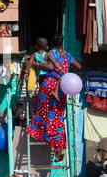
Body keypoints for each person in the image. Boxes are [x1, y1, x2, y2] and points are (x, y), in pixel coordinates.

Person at [26, 33, 81, 162]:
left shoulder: (47, 54)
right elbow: (79, 66)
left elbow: (49, 68)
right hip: (63, 87)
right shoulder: (66, 55)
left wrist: (33, 64)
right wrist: (67, 70)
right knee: (58, 117)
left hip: (48, 85)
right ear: (61, 43)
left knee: (44, 114)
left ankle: (53, 145)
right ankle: (59, 148)